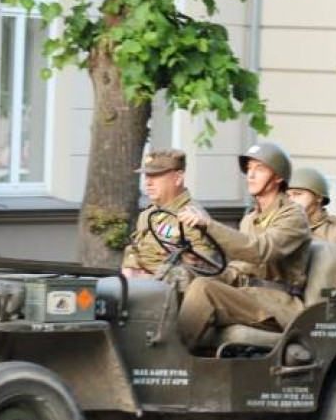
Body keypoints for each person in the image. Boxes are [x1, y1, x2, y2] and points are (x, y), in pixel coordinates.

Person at [174, 142, 311, 347]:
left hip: (275, 303)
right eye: (249, 169)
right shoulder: (250, 218)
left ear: (278, 178)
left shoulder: (293, 215)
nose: (251, 175)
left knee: (205, 289)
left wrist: (210, 226)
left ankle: (174, 360)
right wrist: (199, 267)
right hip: (246, 295)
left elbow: (260, 251)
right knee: (180, 276)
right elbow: (239, 269)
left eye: (260, 169)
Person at [121, 149, 215, 286]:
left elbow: (197, 272)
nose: (148, 183)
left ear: (178, 178)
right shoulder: (147, 215)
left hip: (167, 298)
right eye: (147, 176)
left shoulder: (193, 217)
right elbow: (134, 252)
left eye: (156, 176)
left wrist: (147, 280)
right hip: (136, 289)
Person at [287, 167, 336, 285]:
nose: (291, 200)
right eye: (287, 195)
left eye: (298, 194)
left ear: (319, 197)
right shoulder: (278, 226)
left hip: (318, 298)